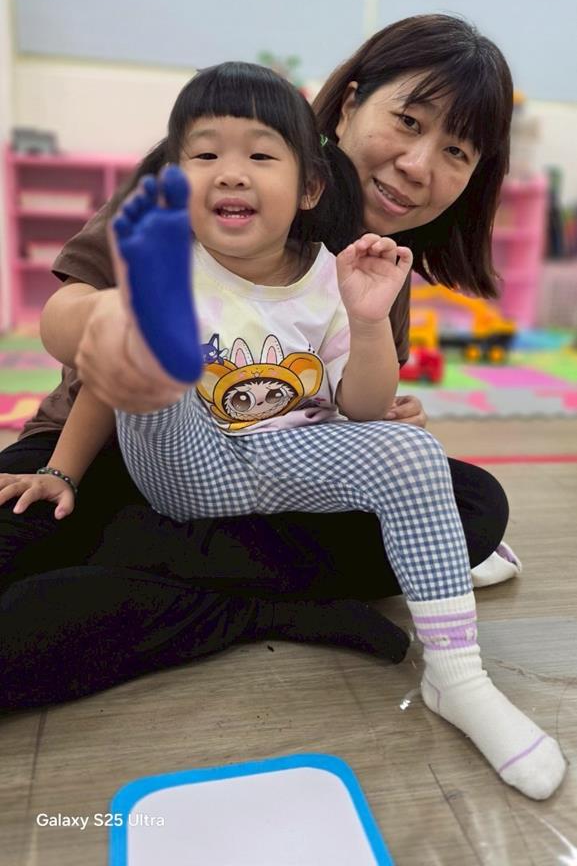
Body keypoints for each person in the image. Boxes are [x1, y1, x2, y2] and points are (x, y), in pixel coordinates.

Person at [1, 62, 564, 799]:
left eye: (455, 151)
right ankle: (279, 594)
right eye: (408, 121)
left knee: (426, 464)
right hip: (168, 460)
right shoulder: (166, 254)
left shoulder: (348, 271)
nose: (231, 172)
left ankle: (455, 676)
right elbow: (103, 369)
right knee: (143, 353)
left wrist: (367, 323)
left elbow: (364, 409)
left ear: (308, 188)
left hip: (274, 467)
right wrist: (63, 469)